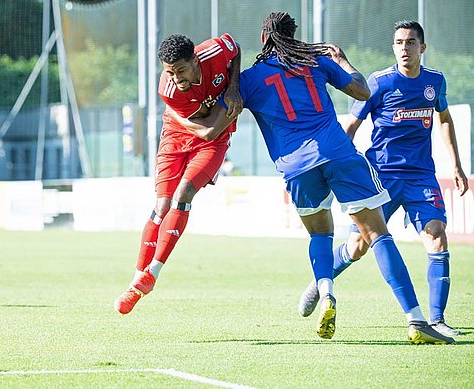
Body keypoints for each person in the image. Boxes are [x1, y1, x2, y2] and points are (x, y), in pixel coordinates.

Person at [182, 12, 454, 343]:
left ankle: (326, 292)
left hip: (297, 168)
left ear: (264, 39)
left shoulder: (251, 80)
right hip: (338, 154)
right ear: (294, 36)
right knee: (377, 235)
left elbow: (213, 127)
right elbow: (362, 91)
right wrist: (343, 60)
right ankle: (416, 319)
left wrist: (189, 109)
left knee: (321, 235)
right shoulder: (315, 62)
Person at [298, 20, 469, 338]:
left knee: (436, 235)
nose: (404, 48)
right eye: (399, 42)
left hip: (421, 177)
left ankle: (436, 318)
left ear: (423, 47)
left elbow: (444, 119)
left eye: (411, 42)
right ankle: (321, 279)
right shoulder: (379, 82)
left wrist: (457, 165)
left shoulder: (435, 82)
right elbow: (350, 127)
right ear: (394, 47)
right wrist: (339, 173)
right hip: (380, 177)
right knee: (358, 245)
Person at [113, 33, 243, 314]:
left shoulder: (214, 50)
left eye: (180, 70)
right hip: (178, 136)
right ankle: (137, 278)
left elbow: (236, 49)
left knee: (183, 195)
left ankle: (152, 274)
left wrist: (233, 87)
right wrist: (226, 112)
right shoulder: (168, 90)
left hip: (212, 143)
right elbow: (208, 126)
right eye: (169, 71)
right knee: (161, 206)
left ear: (195, 60)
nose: (175, 77)